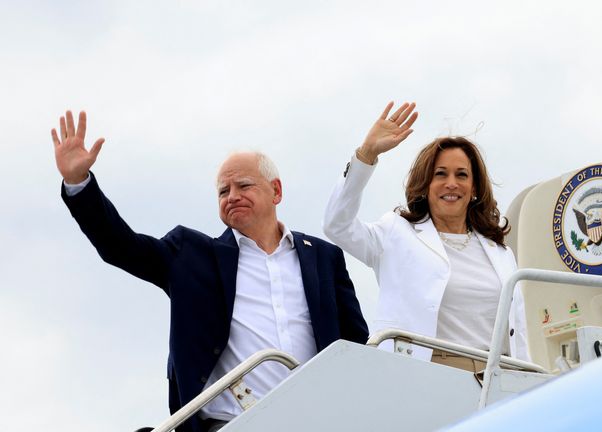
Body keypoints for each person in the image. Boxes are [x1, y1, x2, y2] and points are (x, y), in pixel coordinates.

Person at [51, 110, 369, 432]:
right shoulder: (190, 254)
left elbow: (357, 343)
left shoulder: (324, 257)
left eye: (243, 185)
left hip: (318, 421)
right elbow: (120, 245)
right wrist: (80, 184)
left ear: (276, 191)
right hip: (233, 422)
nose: (232, 196)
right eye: (222, 191)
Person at [324, 102, 529, 373]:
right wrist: (366, 155)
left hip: (497, 374)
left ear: (475, 187)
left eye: (462, 175)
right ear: (425, 184)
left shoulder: (500, 252)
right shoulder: (396, 233)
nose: (451, 184)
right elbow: (337, 225)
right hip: (428, 373)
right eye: (440, 174)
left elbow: (519, 330)